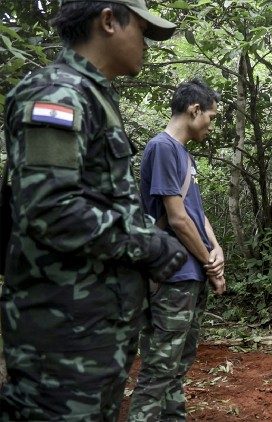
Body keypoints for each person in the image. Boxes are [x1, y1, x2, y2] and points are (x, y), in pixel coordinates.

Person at [0, 1, 185, 420]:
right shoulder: (57, 93)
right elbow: (50, 209)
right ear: (108, 21)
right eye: (142, 30)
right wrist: (150, 246)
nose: (147, 45)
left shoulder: (92, 96)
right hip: (62, 337)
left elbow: (100, 200)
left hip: (95, 332)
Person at [128, 78, 227, 421]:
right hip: (172, 275)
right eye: (211, 117)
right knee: (158, 370)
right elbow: (177, 218)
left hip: (190, 272)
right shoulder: (163, 147)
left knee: (178, 365)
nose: (211, 126)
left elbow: (196, 211)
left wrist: (217, 249)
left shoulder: (182, 153)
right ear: (194, 110)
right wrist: (209, 262)